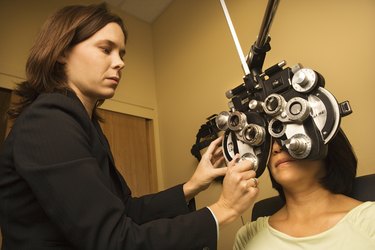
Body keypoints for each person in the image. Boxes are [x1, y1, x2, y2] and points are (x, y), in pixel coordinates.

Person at [0, 3, 260, 250]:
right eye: (106, 49)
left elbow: (126, 211)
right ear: (61, 52)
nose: (120, 62)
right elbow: (113, 241)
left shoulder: (84, 125)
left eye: (121, 53)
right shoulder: (48, 121)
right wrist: (223, 209)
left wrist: (192, 185)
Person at [233, 129, 375, 250]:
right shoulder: (248, 236)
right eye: (269, 142)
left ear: (326, 144)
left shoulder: (370, 220)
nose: (277, 148)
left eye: (292, 134)